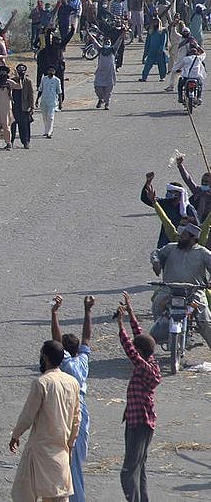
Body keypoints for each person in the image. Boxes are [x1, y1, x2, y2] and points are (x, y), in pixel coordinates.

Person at [9, 340, 81, 502]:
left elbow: (28, 415)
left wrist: (16, 435)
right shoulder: (72, 383)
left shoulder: (41, 383)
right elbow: (77, 419)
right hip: (61, 452)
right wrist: (70, 445)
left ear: (45, 358)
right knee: (58, 497)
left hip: (39, 452)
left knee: (22, 493)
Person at [115, 293, 161, 502]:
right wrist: (131, 311)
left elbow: (130, 347)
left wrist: (120, 324)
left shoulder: (143, 367)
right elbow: (139, 335)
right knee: (140, 467)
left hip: (138, 423)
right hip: (141, 421)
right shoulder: (151, 360)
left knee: (128, 471)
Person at [50, 295, 94, 502]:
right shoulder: (82, 362)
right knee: (75, 461)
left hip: (68, 413)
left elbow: (56, 341)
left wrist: (54, 313)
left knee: (69, 462)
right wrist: (87, 311)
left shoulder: (65, 364)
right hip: (82, 412)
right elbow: (87, 338)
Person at [150, 223, 211, 348]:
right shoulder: (170, 248)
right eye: (181, 234)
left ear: (193, 238)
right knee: (157, 305)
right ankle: (162, 335)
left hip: (194, 292)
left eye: (184, 235)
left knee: (205, 320)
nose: (180, 237)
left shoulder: (203, 253)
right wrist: (156, 262)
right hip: (169, 290)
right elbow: (156, 253)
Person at [141, 173, 199, 247]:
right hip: (165, 241)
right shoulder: (165, 203)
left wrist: (188, 220)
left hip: (181, 241)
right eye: (168, 191)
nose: (168, 193)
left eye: (171, 192)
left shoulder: (188, 208)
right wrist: (148, 182)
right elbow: (146, 199)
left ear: (179, 193)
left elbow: (197, 226)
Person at [88, 29, 124, 110]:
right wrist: (88, 33)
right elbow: (94, 41)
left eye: (109, 42)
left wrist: (124, 32)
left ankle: (107, 103)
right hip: (100, 73)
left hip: (110, 74)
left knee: (108, 91)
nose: (107, 43)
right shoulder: (100, 49)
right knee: (97, 88)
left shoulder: (113, 49)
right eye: (106, 42)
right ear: (103, 43)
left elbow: (119, 40)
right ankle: (101, 99)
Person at [0, 65, 21, 151]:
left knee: (6, 126)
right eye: (0, 72)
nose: (2, 73)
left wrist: (17, 77)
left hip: (6, 108)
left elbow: (19, 86)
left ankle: (8, 143)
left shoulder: (9, 82)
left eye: (4, 72)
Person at [176, 155, 211, 222]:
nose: (204, 183)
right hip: (197, 221)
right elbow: (188, 179)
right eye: (202, 181)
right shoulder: (198, 191)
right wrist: (180, 165)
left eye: (206, 182)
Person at [11, 64, 34, 149]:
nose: (21, 73)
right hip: (13, 106)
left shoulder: (28, 82)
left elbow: (30, 95)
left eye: (22, 72)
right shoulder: (12, 80)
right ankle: (10, 142)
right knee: (12, 126)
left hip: (24, 107)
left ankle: (26, 142)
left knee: (25, 126)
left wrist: (32, 107)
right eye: (19, 71)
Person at [36, 66, 62, 139]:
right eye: (50, 70)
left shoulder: (57, 80)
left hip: (52, 101)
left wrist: (60, 103)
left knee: (50, 117)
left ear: (54, 72)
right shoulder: (44, 79)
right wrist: (37, 100)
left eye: (52, 71)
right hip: (44, 101)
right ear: (47, 71)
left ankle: (49, 132)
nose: (51, 72)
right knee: (45, 117)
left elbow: (59, 92)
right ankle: (46, 131)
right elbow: (40, 90)